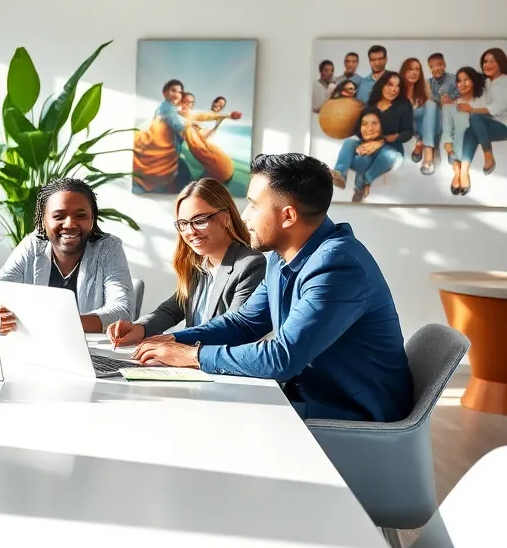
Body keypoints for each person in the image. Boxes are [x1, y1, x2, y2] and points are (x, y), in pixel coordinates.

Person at [132, 153, 413, 423]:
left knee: (198, 414)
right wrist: (174, 341)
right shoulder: (281, 257)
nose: (243, 216)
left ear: (288, 216)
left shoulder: (338, 266)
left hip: (351, 411)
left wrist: (192, 355)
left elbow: (281, 358)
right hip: (308, 393)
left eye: (254, 205)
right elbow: (244, 323)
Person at [106, 178, 264, 346]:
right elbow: (171, 310)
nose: (190, 231)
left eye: (200, 221)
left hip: (217, 365)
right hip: (187, 361)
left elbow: (232, 328)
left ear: (225, 218)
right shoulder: (197, 264)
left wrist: (172, 340)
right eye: (183, 223)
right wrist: (139, 328)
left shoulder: (250, 264)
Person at [0, 178, 134, 335]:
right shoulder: (33, 245)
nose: (70, 224)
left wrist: (59, 324)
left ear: (92, 220)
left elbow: (122, 312)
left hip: (92, 353)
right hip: (37, 348)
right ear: (43, 221)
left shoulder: (108, 248)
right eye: (58, 216)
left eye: (80, 215)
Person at [331, 72, 412, 202]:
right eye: (390, 84)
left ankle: (364, 181)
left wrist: (382, 141)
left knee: (390, 156)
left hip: (390, 147)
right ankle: (340, 174)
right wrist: (363, 145)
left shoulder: (404, 104)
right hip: (367, 144)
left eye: (397, 86)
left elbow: (408, 132)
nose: (393, 89)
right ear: (381, 85)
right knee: (349, 144)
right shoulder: (371, 102)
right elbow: (361, 127)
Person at [459, 46, 507, 178]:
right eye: (485, 61)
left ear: (501, 63)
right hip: (485, 124)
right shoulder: (486, 82)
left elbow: (494, 109)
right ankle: (464, 172)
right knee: (471, 129)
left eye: (492, 61)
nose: (487, 64)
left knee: (475, 118)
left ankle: (488, 154)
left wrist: (472, 109)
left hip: (503, 125)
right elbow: (468, 85)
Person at [444, 67, 488, 196]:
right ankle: (457, 169)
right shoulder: (451, 106)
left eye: (466, 80)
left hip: (476, 138)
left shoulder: (483, 102)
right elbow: (447, 129)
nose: (462, 84)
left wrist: (472, 109)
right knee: (456, 136)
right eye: (459, 81)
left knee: (469, 131)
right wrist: (447, 143)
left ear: (473, 81)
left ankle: (463, 170)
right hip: (457, 142)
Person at [397, 57, 436, 175]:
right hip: (414, 127)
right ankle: (420, 140)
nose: (414, 72)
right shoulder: (396, 89)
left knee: (430, 104)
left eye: (417, 69)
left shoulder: (425, 86)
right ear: (404, 71)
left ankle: (427, 151)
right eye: (410, 69)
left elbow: (431, 112)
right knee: (408, 114)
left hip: (432, 123)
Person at [427, 52, 458, 167]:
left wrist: (450, 100)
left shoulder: (454, 79)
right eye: (432, 66)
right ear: (430, 68)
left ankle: (452, 151)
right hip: (437, 113)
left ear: (444, 65)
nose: (436, 68)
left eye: (439, 64)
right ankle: (434, 148)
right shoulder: (428, 83)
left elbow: (461, 95)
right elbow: (428, 98)